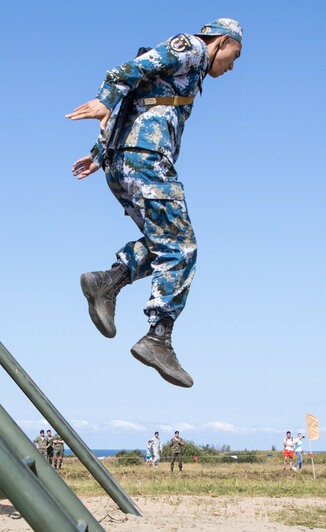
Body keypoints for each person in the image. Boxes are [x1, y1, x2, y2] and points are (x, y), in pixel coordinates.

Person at [66, 19, 244, 388]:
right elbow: (126, 72)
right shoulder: (191, 48)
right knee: (182, 249)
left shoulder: (190, 72)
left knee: (166, 244)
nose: (231, 66)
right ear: (222, 41)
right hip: (146, 160)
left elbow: (136, 95)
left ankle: (107, 282)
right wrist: (102, 100)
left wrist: (100, 153)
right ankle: (158, 337)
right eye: (233, 55)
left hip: (123, 163)